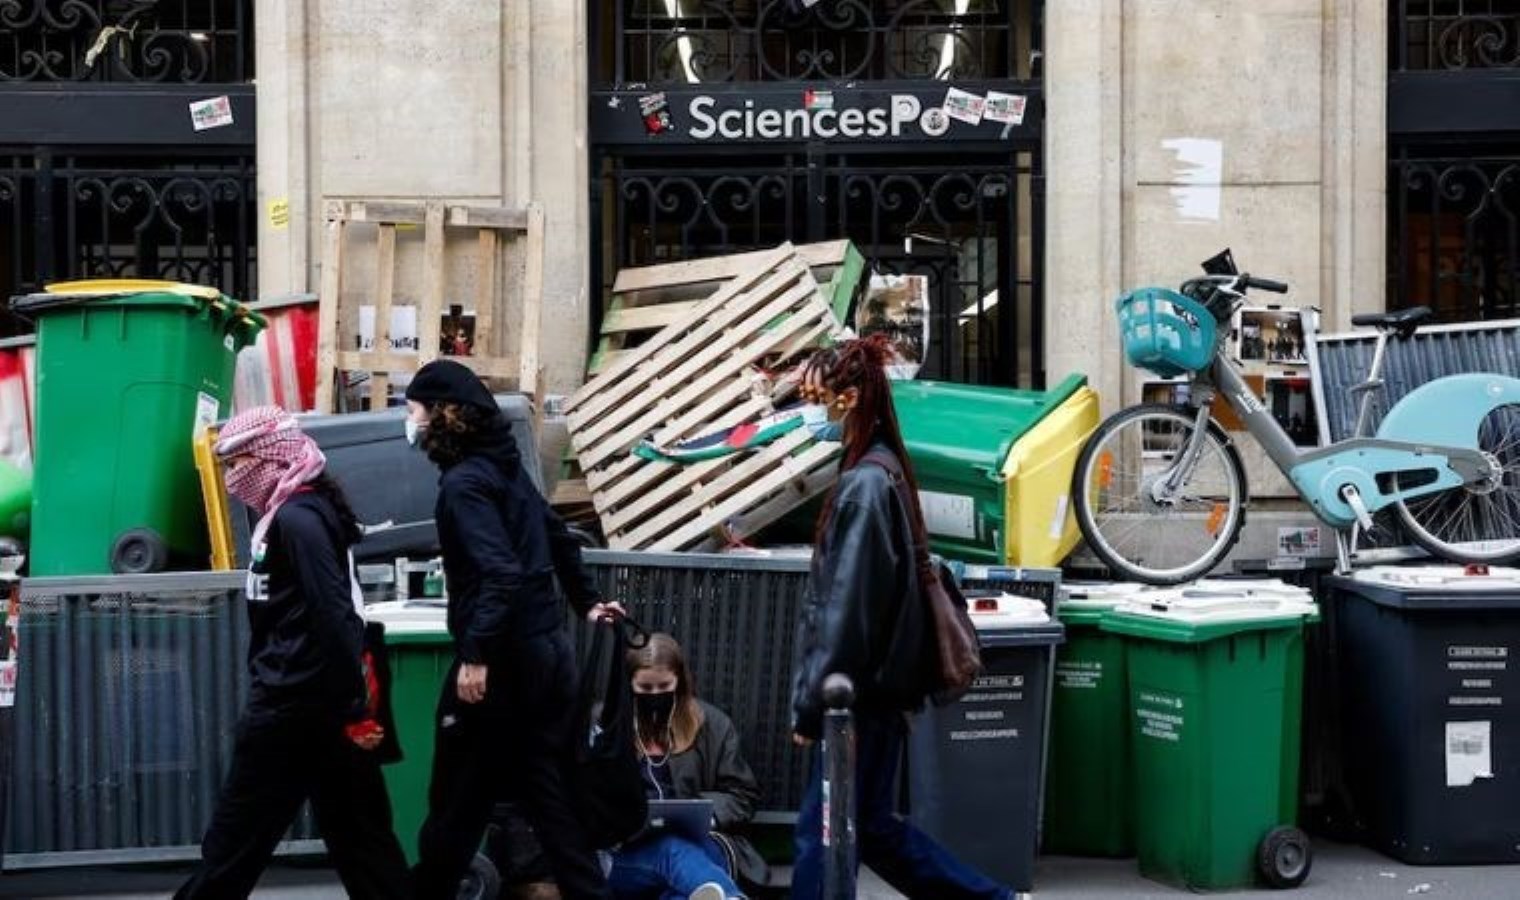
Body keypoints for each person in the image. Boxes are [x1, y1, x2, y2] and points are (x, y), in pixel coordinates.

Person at [789, 335, 1015, 900]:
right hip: (879, 691)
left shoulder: (865, 483)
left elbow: (846, 611)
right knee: (870, 827)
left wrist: (812, 705)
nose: (811, 410)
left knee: (821, 833)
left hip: (857, 697)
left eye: (819, 397)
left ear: (849, 399)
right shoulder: (881, 469)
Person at [404, 359, 624, 900]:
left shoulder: (464, 484)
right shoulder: (506, 471)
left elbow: (498, 571)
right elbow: (557, 535)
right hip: (548, 654)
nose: (408, 421)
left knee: (456, 803)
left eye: (412, 409)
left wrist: (476, 655)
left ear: (442, 414)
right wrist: (588, 602)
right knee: (551, 800)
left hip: (502, 663)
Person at [177, 406, 409, 900]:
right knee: (363, 842)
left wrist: (354, 708)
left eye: (239, 464)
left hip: (296, 707)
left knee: (236, 845)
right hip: (312, 704)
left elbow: (334, 612)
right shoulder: (289, 516)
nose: (234, 478)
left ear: (271, 458)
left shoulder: (299, 520)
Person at [611, 632, 765, 900]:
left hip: (702, 845)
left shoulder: (712, 725)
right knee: (672, 851)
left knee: (683, 885)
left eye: (664, 687)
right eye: (645, 689)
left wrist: (706, 814)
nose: (655, 695)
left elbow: (743, 795)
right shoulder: (608, 728)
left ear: (679, 682)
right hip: (628, 854)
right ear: (628, 685)